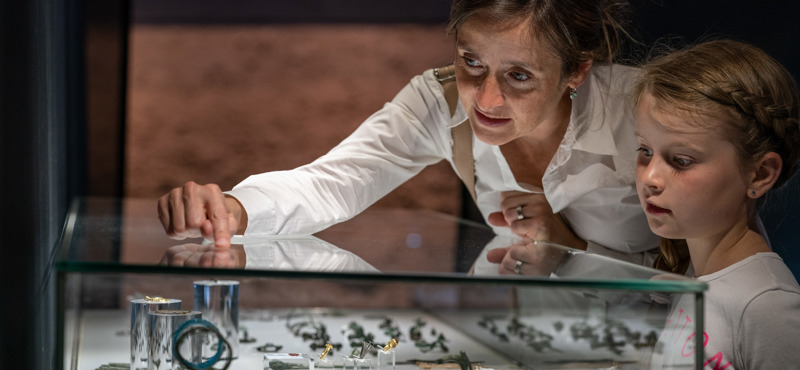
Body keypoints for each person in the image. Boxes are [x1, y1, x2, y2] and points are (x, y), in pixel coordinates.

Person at [157, 0, 659, 267]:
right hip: (529, 336)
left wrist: (570, 247)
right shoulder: (437, 99)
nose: (485, 100)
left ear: (577, 70)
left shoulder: (644, 110)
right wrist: (233, 208)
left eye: (519, 75)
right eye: (471, 62)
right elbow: (337, 180)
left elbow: (707, 257)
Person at [633, 39, 800, 370]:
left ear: (760, 174)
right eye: (645, 151)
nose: (649, 177)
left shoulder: (766, 304)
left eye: (681, 160)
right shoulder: (696, 274)